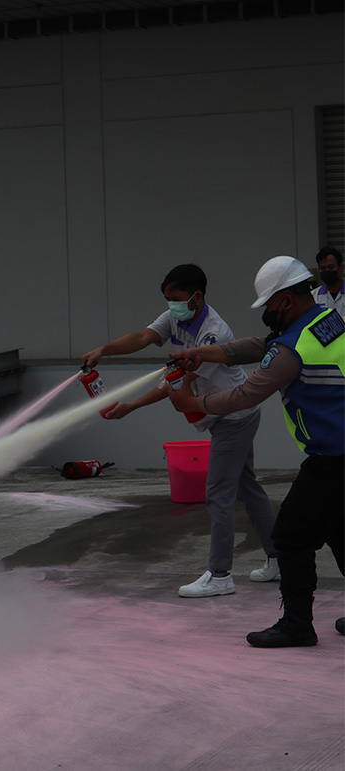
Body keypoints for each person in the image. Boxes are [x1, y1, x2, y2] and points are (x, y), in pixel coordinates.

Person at [167, 255, 344, 647]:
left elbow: (247, 393)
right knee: (337, 528)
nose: (267, 312)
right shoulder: (326, 321)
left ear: (284, 300)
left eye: (268, 304)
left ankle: (297, 624)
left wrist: (193, 405)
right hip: (339, 450)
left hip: (333, 456)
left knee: (291, 535)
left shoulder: (293, 346)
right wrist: (204, 353)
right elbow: (259, 346)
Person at [81, 264, 279, 597]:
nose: (171, 304)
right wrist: (104, 349)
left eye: (176, 298)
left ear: (197, 296)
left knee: (218, 494)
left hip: (234, 417)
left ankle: (220, 575)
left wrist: (131, 406)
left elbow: (174, 384)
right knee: (248, 489)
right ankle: (279, 558)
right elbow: (144, 337)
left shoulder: (214, 333)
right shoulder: (177, 317)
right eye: (167, 299)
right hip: (225, 414)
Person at [311, 246, 345, 319]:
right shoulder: (313, 297)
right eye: (323, 268)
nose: (327, 270)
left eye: (331, 267)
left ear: (341, 268)